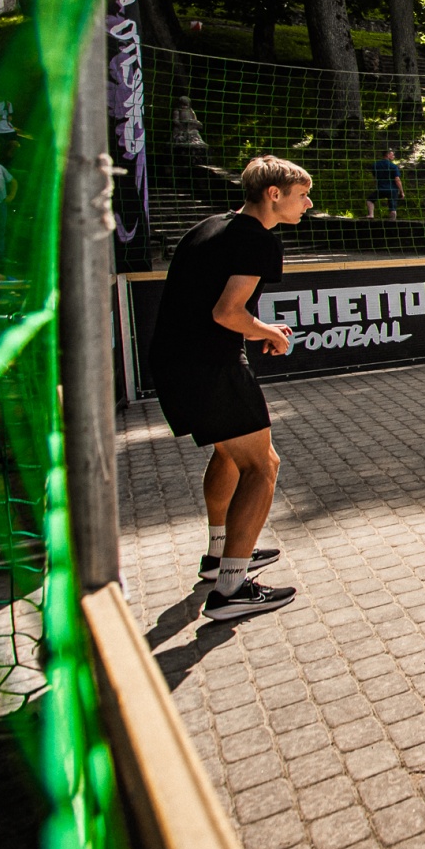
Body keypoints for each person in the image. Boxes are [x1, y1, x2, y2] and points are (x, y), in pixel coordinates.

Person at [147, 156, 313, 621]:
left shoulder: (211, 226)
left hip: (174, 361)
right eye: (302, 195)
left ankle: (218, 556)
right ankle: (231, 589)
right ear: (274, 194)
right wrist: (268, 331)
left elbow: (208, 303)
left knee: (228, 454)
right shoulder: (257, 239)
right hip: (209, 365)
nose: (309, 204)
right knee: (262, 465)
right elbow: (227, 312)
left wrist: (256, 330)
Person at [368, 147, 404, 219]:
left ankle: (371, 214)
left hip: (381, 189)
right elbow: (397, 179)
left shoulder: (375, 165)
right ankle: (393, 221)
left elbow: (375, 177)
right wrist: (401, 191)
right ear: (387, 155)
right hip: (392, 190)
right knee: (393, 208)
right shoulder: (393, 166)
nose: (393, 156)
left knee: (370, 200)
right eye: (392, 155)